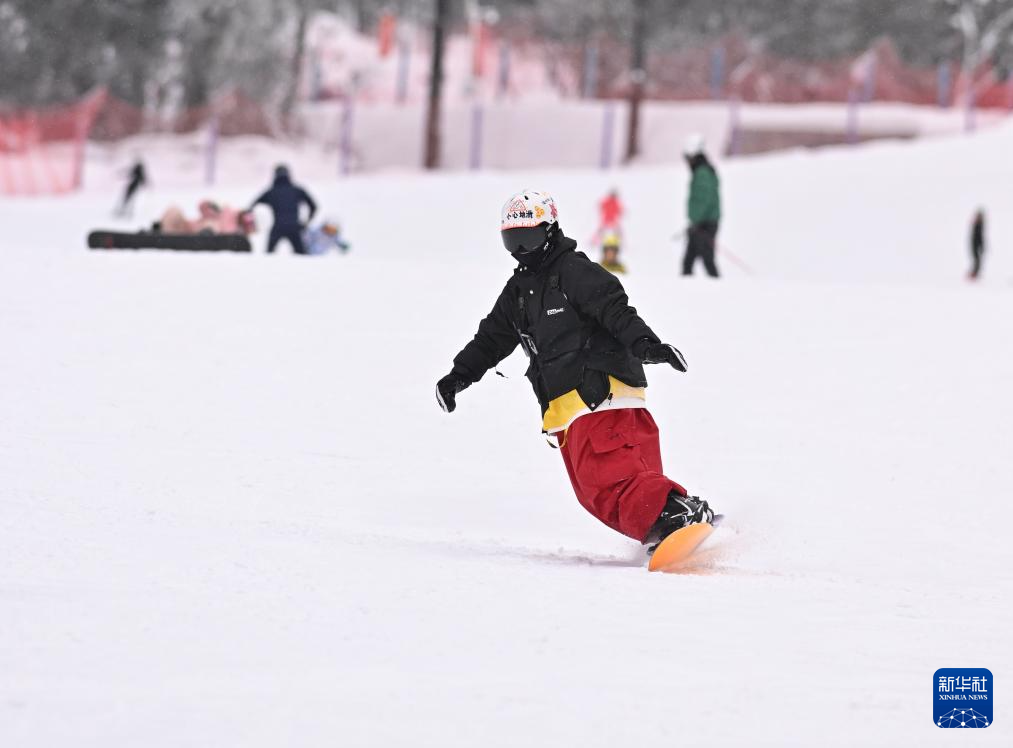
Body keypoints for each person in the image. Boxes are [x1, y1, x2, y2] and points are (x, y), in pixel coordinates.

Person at [435, 190, 715, 551]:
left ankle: (676, 513)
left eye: (528, 239)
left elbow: (616, 311)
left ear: (550, 231)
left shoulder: (574, 272)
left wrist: (647, 345)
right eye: (512, 241)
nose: (522, 251)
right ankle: (669, 521)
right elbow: (491, 339)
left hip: (597, 393)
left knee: (605, 485)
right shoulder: (519, 292)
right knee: (610, 487)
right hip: (576, 407)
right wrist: (458, 376)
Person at [249, 165, 317, 254]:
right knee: (302, 257)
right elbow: (314, 206)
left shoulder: (271, 192)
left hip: (278, 227)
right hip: (294, 227)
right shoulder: (297, 190)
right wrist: (306, 222)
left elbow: (253, 205)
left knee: (268, 256)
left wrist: (255, 223)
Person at [682, 134, 720, 278]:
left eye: (688, 158)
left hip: (704, 224)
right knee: (689, 260)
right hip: (702, 223)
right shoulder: (703, 171)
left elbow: (704, 199)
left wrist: (696, 220)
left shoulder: (702, 173)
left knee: (706, 259)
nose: (687, 162)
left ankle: (721, 288)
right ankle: (685, 287)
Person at [969, 209, 986, 280]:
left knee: (978, 260)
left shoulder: (981, 224)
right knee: (976, 259)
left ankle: (975, 274)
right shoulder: (976, 224)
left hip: (978, 244)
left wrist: (982, 245)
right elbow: (975, 236)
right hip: (974, 244)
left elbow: (981, 236)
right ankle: (973, 274)